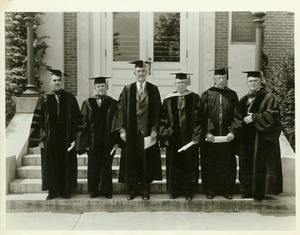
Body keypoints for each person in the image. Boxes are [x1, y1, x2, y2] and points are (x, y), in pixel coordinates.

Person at [112, 60, 162, 200]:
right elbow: (120, 110)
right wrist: (122, 129)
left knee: (146, 161)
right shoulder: (127, 89)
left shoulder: (153, 89)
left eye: (143, 71)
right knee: (131, 160)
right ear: (134, 73)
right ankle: (132, 190)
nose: (141, 73)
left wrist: (154, 129)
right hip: (131, 131)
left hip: (147, 131)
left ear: (147, 72)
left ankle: (145, 190)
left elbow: (158, 110)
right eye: (138, 71)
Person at [28, 68, 80, 200]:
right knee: (51, 164)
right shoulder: (44, 97)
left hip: (66, 137)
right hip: (49, 138)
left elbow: (77, 119)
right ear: (50, 82)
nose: (57, 82)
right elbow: (38, 119)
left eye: (59, 80)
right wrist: (40, 138)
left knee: (66, 163)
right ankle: (52, 191)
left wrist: (75, 138)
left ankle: (65, 190)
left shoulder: (70, 97)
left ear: (62, 82)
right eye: (54, 80)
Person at [238, 71, 283, 200]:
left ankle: (259, 192)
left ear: (260, 82)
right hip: (248, 138)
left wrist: (254, 117)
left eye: (255, 81)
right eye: (250, 81)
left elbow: (272, 115)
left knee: (259, 164)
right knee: (247, 163)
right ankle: (248, 190)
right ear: (247, 83)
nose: (252, 83)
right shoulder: (244, 99)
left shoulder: (268, 97)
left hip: (261, 137)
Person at [200, 67, 242, 200]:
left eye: (224, 78)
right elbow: (202, 116)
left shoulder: (232, 95)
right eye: (219, 78)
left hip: (227, 137)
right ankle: (210, 190)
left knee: (227, 164)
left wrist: (233, 131)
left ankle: (227, 190)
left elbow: (237, 115)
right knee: (210, 163)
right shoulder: (207, 94)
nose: (222, 80)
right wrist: (207, 132)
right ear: (214, 79)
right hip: (211, 138)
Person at [159, 73, 203, 201]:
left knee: (189, 164)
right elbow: (163, 119)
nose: (181, 85)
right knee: (174, 165)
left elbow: (200, 118)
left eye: (183, 82)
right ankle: (174, 190)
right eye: (178, 82)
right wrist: (166, 134)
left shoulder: (195, 98)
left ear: (187, 83)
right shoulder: (168, 99)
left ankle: (188, 191)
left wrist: (196, 136)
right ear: (175, 83)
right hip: (174, 138)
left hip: (189, 138)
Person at [76, 77, 120, 199]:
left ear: (106, 87)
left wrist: (116, 142)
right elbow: (83, 123)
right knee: (93, 165)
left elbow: (117, 123)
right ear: (95, 88)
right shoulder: (87, 103)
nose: (101, 88)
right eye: (98, 86)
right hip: (92, 140)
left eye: (103, 86)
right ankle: (93, 190)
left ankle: (107, 190)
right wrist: (85, 143)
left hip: (108, 140)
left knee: (107, 165)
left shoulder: (113, 103)